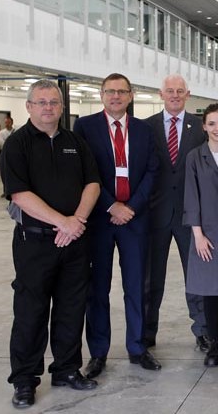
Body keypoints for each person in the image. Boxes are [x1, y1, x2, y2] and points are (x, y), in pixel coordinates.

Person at [1, 79, 101, 408]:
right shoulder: (17, 144)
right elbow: (19, 194)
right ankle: (25, 380)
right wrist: (63, 222)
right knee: (30, 311)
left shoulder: (75, 141)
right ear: (28, 106)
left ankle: (67, 369)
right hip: (35, 243)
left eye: (54, 102)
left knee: (72, 309)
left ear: (62, 107)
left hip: (74, 242)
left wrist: (78, 223)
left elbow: (93, 184)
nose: (48, 107)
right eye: (41, 102)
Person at [73, 73, 161, 379]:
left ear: (131, 95)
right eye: (110, 91)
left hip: (135, 220)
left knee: (136, 286)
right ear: (101, 95)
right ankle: (98, 352)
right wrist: (111, 205)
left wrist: (131, 207)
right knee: (97, 288)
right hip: (99, 218)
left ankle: (137, 347)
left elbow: (152, 170)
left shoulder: (144, 129)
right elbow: (85, 172)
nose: (116, 97)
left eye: (122, 92)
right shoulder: (84, 127)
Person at [143, 74, 207, 351]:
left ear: (187, 94)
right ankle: (146, 333)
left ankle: (203, 331)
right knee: (149, 278)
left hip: (189, 215)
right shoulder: (145, 128)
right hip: (153, 215)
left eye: (180, 91)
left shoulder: (200, 128)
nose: (175, 95)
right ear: (161, 94)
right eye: (170, 91)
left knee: (195, 275)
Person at [183, 103, 218, 367]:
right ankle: (213, 343)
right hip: (205, 233)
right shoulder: (195, 157)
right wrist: (197, 234)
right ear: (204, 126)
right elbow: (191, 197)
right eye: (212, 124)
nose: (217, 129)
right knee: (209, 290)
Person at [0, 114, 17, 197]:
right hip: (4, 153)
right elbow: (1, 143)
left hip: (15, 153)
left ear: (11, 122)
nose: (7, 124)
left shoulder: (16, 131)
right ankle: (5, 190)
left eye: (8, 122)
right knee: (5, 172)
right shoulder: (1, 133)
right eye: (6, 122)